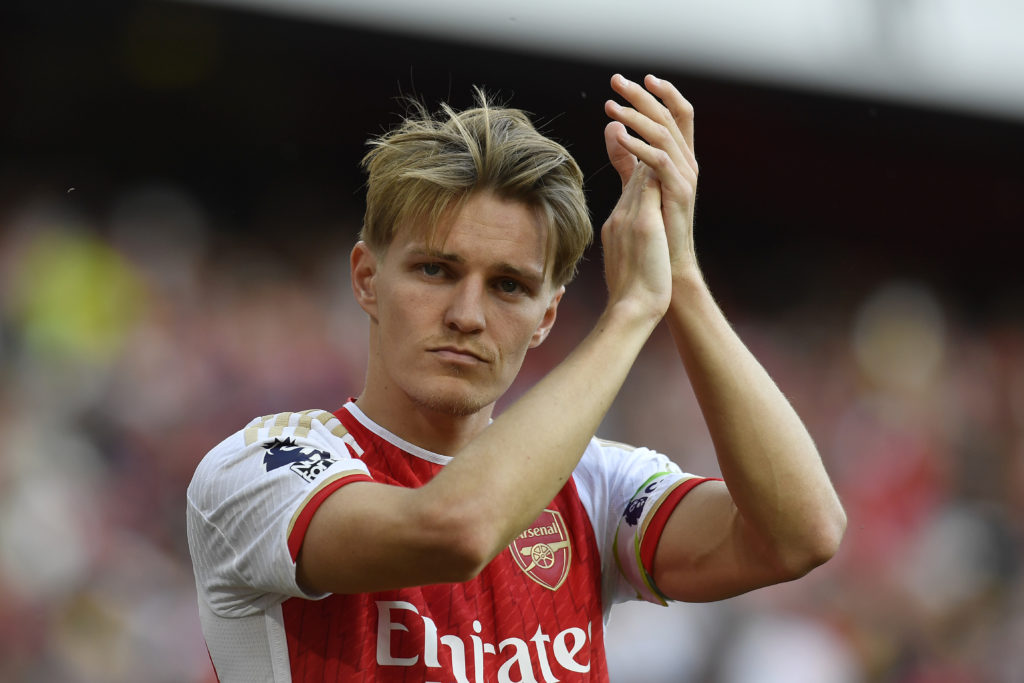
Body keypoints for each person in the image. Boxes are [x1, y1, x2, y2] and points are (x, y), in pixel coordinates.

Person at [186, 73, 846, 682]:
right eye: (435, 270)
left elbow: (800, 534)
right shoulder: (261, 467)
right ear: (366, 278)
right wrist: (629, 313)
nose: (467, 315)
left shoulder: (595, 486)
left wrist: (684, 284)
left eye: (508, 285)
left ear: (546, 316)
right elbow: (456, 530)